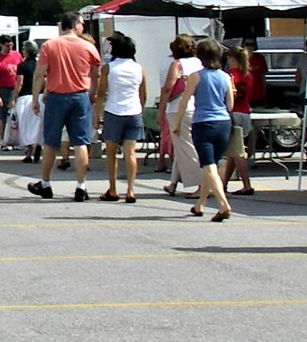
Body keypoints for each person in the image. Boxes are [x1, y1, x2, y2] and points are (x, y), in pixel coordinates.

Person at [27, 12, 101, 201]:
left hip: (56, 97)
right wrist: (92, 93)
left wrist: (35, 98)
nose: (83, 27)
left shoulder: (50, 46)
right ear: (75, 24)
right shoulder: (88, 46)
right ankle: (81, 186)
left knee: (50, 142)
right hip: (80, 96)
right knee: (80, 142)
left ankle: (45, 183)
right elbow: (96, 73)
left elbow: (39, 74)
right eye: (82, 24)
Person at [174, 39, 234, 222]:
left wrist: (177, 124)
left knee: (208, 166)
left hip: (203, 123)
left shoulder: (196, 76)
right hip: (223, 123)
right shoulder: (225, 77)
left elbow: (184, 101)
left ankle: (223, 204)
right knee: (212, 164)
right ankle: (200, 203)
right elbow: (230, 105)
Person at [92, 34, 147, 203]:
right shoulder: (139, 68)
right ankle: (131, 189)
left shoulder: (108, 68)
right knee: (130, 153)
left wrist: (97, 114)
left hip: (114, 112)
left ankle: (113, 188)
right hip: (134, 112)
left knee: (111, 152)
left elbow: (101, 93)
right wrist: (140, 109)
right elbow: (143, 94)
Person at [160, 34, 203, 198]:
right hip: (197, 107)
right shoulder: (199, 63)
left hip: (178, 109)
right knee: (182, 147)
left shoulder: (177, 64)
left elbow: (168, 88)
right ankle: (173, 183)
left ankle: (203, 184)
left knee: (187, 148)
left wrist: (161, 109)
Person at [222, 46, 254, 196]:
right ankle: (224, 183)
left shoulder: (230, 75)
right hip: (245, 112)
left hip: (234, 113)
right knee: (233, 151)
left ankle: (247, 185)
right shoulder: (248, 75)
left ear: (233, 59)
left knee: (239, 152)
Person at [0, 36, 24, 149]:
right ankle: (3, 141)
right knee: (3, 116)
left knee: (17, 116)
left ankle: (17, 140)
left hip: (17, 88)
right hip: (4, 89)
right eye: (7, 45)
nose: (10, 47)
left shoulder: (17, 55)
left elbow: (22, 71)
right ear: (1, 45)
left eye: (11, 45)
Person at [11, 40, 42, 164]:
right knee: (37, 124)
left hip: (25, 97)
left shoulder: (22, 66)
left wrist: (13, 98)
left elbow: (20, 83)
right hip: (39, 96)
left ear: (26, 51)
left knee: (25, 125)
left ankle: (29, 151)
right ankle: (38, 143)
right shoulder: (40, 64)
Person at [243, 37, 268, 160]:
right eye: (247, 44)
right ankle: (243, 154)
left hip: (258, 97)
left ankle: (251, 154)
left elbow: (263, 77)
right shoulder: (240, 59)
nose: (250, 47)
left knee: (256, 127)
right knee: (243, 128)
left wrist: (265, 93)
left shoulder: (260, 58)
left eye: (252, 44)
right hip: (243, 99)